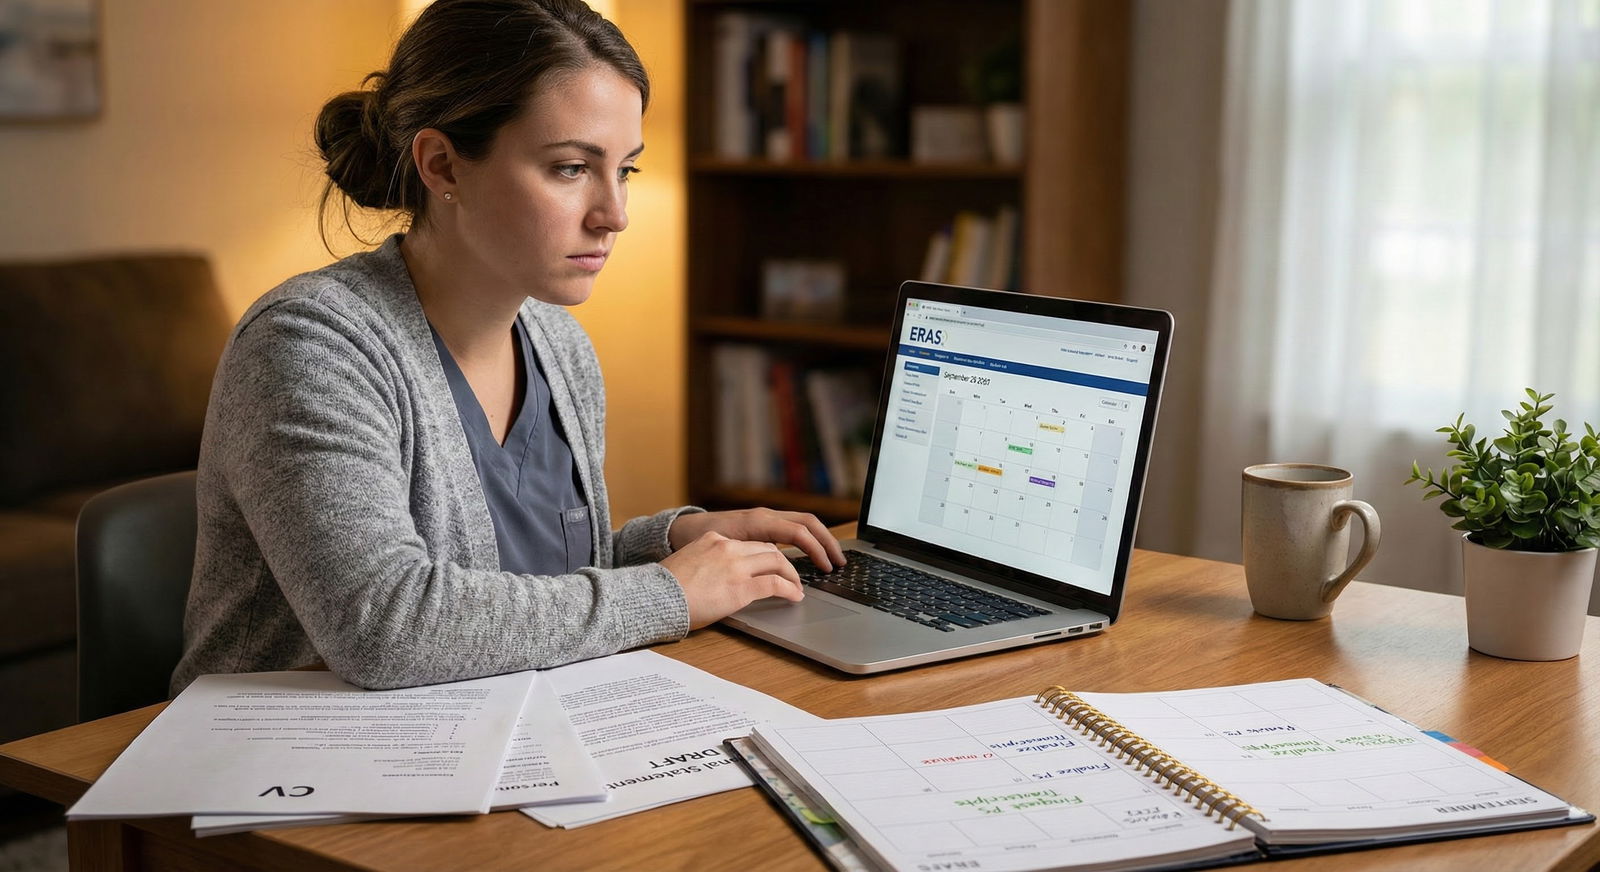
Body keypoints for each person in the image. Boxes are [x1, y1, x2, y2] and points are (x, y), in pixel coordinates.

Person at [171, 0, 843, 694]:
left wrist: (671, 544)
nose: (615, 214)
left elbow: (516, 587)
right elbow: (386, 628)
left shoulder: (560, 345)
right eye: (571, 168)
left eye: (626, 170)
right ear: (442, 166)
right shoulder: (309, 345)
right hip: (284, 771)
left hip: (493, 734)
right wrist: (669, 594)